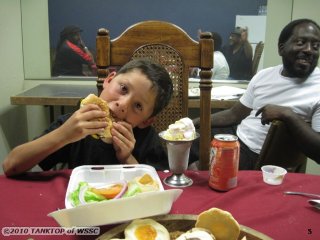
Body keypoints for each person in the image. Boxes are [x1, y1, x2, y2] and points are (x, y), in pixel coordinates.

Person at [3, 59, 173, 176]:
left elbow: (157, 191)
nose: (122, 105)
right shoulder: (75, 125)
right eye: (123, 89)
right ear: (109, 79)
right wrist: (64, 135)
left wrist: (127, 158)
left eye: (138, 106)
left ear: (146, 121)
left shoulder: (148, 140)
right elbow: (10, 166)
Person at [193, 18, 320, 169]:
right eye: (300, 43)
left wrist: (288, 114)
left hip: (257, 156)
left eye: (316, 46)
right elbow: (234, 114)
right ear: (281, 48)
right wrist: (194, 123)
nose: (309, 50)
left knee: (196, 169)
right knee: (179, 142)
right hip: (237, 135)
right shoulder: (264, 75)